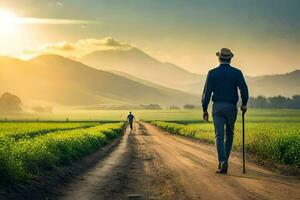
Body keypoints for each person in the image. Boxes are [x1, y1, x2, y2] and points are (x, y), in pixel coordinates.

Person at [202, 48, 249, 174]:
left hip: (217, 107)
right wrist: (244, 104)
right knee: (229, 134)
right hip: (231, 107)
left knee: (219, 135)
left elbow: (207, 93)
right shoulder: (237, 73)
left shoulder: (212, 73)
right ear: (230, 59)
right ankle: (224, 161)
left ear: (219, 58)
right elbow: (244, 89)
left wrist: (204, 108)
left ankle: (223, 161)